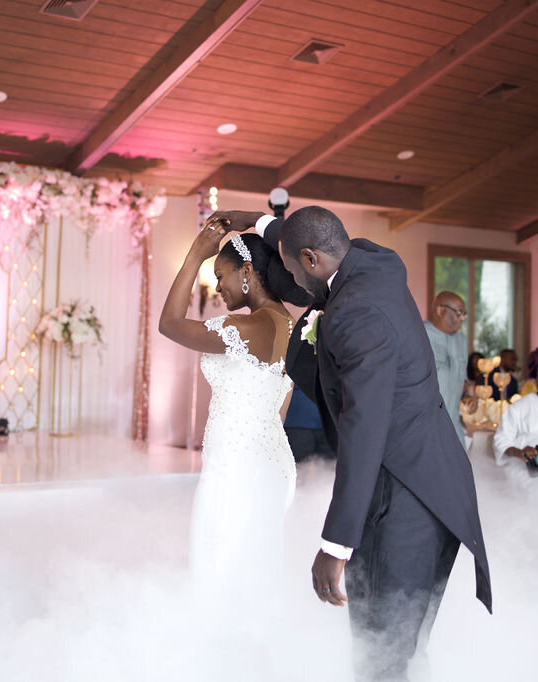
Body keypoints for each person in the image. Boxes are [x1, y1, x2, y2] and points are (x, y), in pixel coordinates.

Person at [206, 206, 491, 681]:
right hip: (437, 479)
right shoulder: (376, 259)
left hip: (405, 493)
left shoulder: (354, 316)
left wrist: (336, 544)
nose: (294, 285)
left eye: (296, 272)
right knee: (402, 641)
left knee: (381, 645)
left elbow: (365, 429)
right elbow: (304, 242)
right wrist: (258, 223)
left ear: (313, 259)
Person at [158, 227, 310, 589]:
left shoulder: (248, 327)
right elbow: (281, 406)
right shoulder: (290, 324)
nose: (218, 287)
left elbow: (169, 324)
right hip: (271, 459)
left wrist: (196, 254)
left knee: (217, 567)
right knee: (257, 567)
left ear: (247, 272)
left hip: (236, 464)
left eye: (220, 275)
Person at [424, 291, 475, 443]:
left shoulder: (461, 340)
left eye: (464, 314)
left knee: (460, 466)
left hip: (453, 426)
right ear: (441, 310)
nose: (461, 319)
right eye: (458, 313)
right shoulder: (419, 335)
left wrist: (470, 396)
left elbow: (462, 380)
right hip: (424, 426)